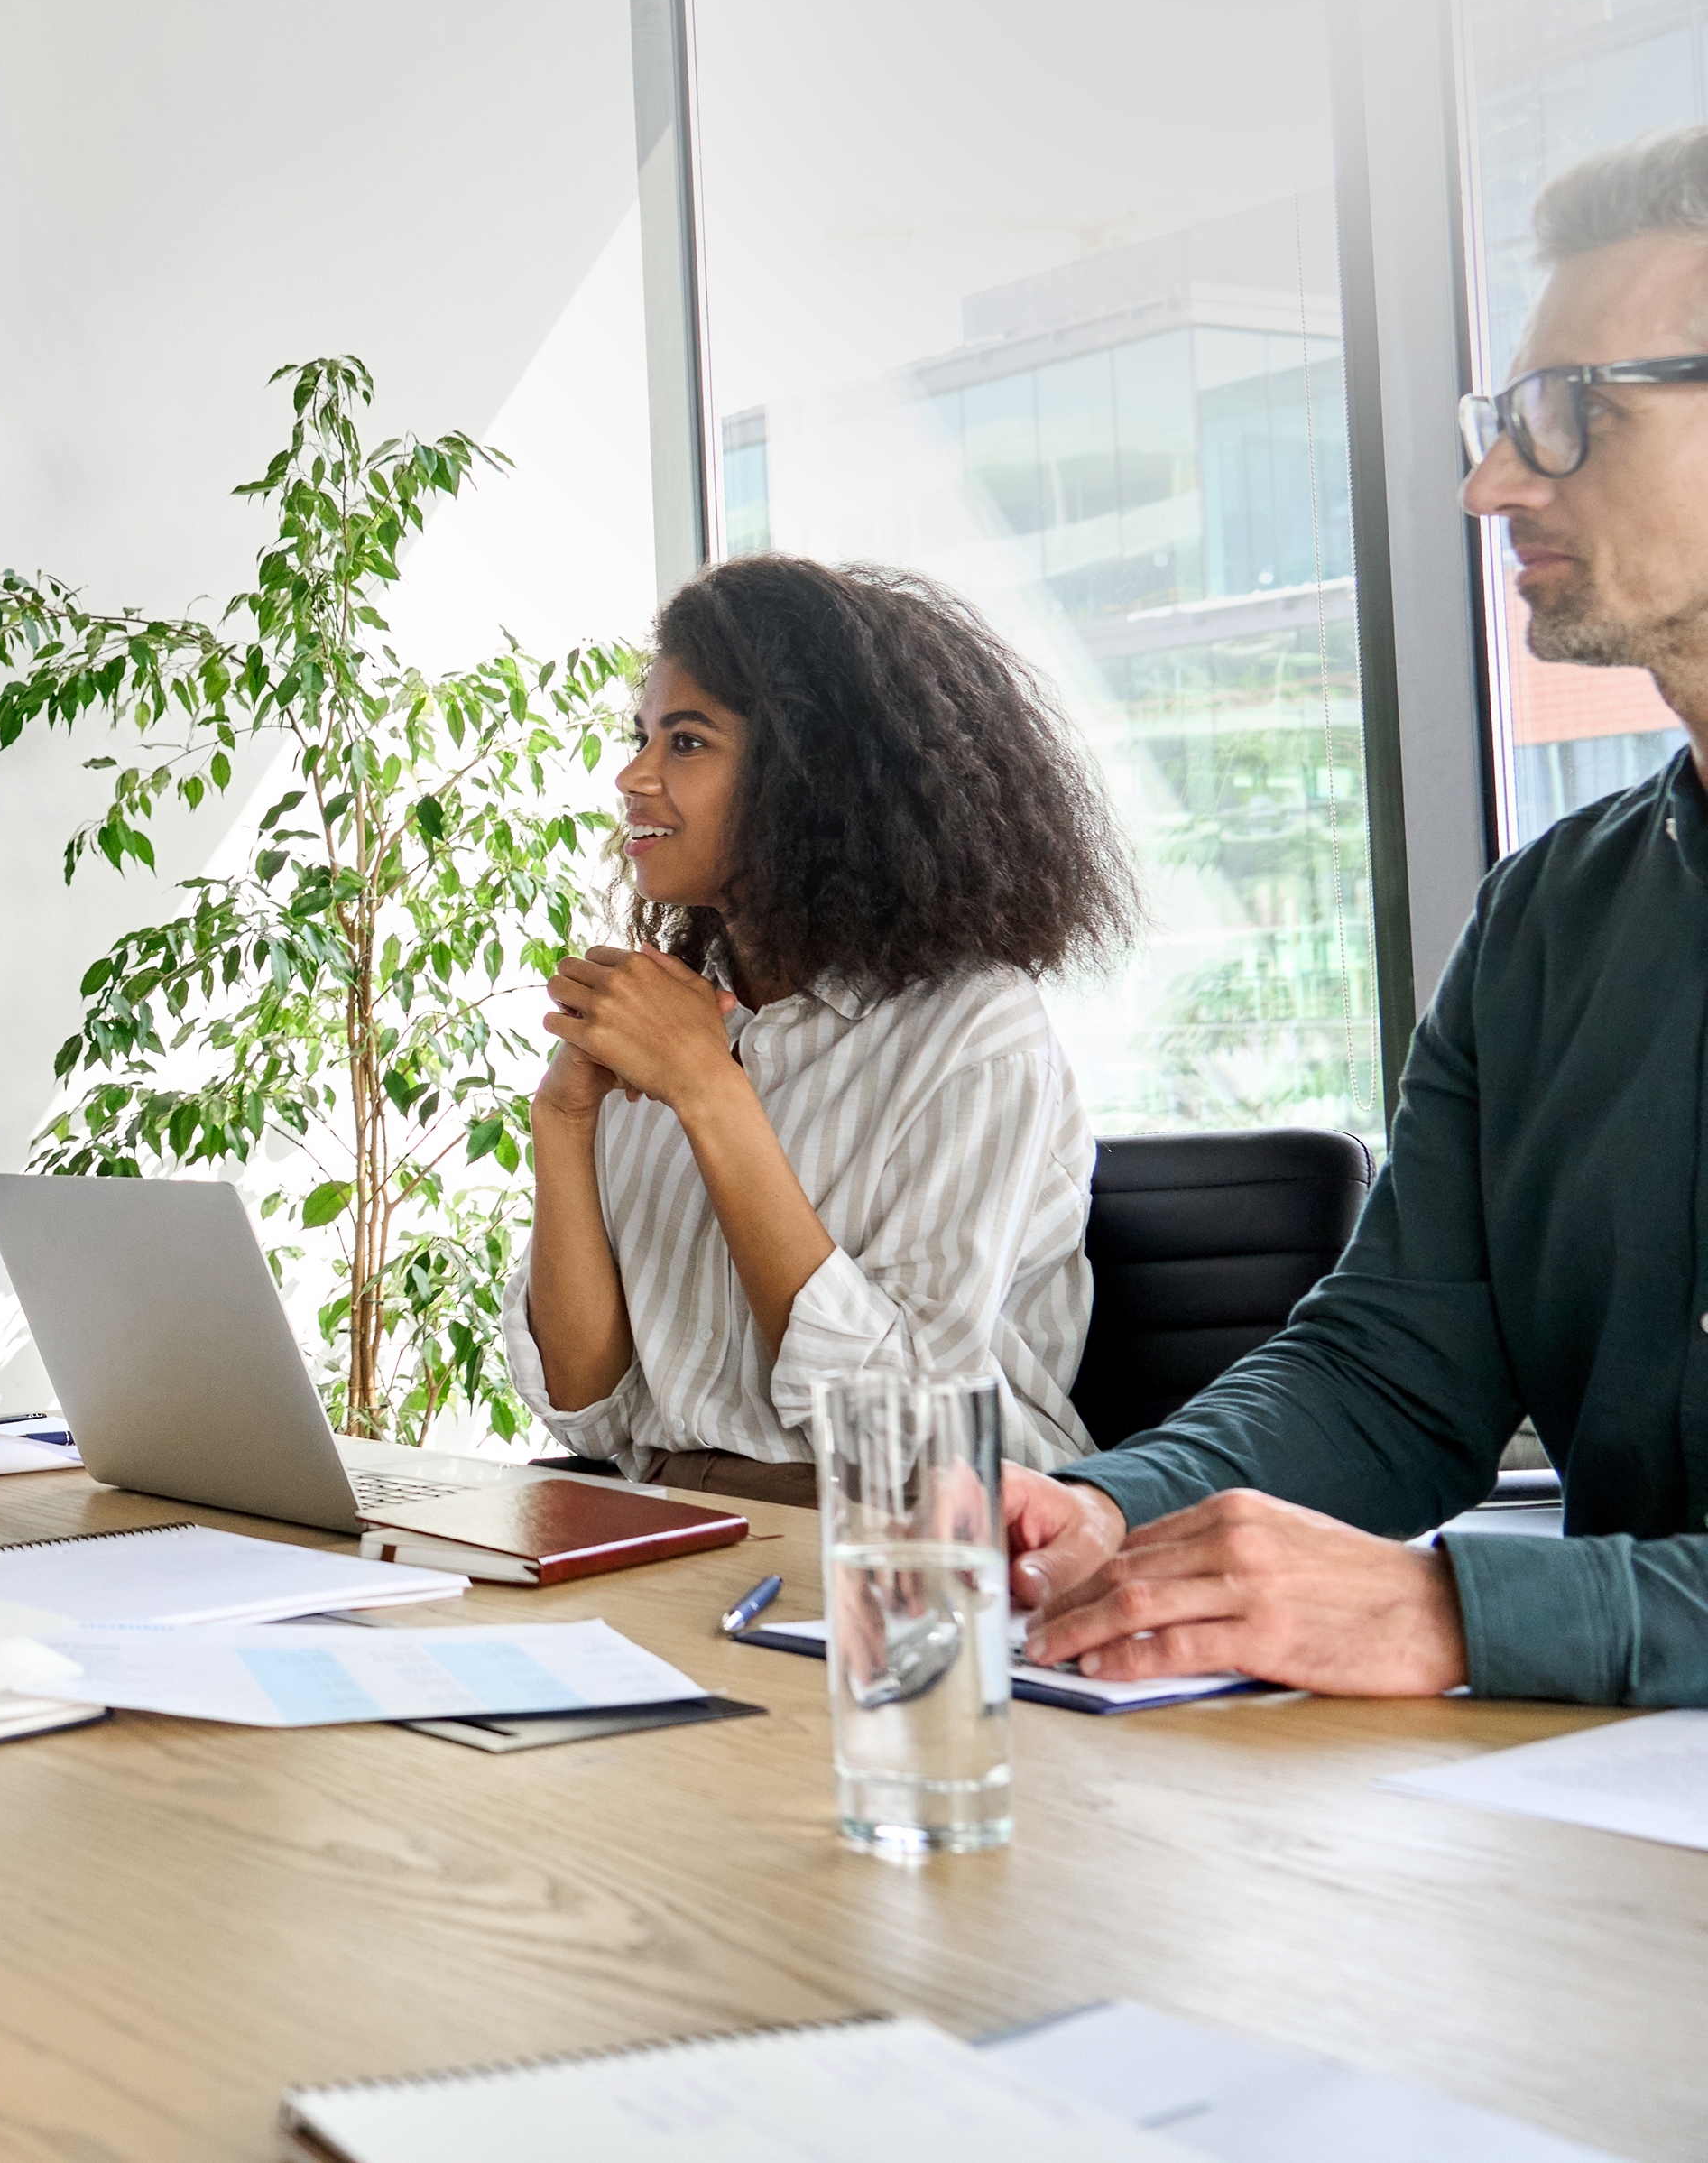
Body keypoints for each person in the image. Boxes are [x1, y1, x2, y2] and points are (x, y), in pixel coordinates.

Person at [1011, 125, 1708, 1709]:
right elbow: (1392, 1373)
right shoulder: (1548, 919)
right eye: (1503, 420)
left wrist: (1460, 1614)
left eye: (1569, 415)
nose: (1490, 483)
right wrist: (1112, 1507)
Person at [510, 557, 1134, 1505]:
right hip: (668, 1519)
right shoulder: (670, 1015)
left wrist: (711, 1094)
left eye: (685, 742)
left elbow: (906, 1425)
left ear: (809, 773)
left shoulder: (974, 1030)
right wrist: (561, 1120)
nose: (631, 777)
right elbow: (587, 1406)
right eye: (642, 737)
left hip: (910, 1546)